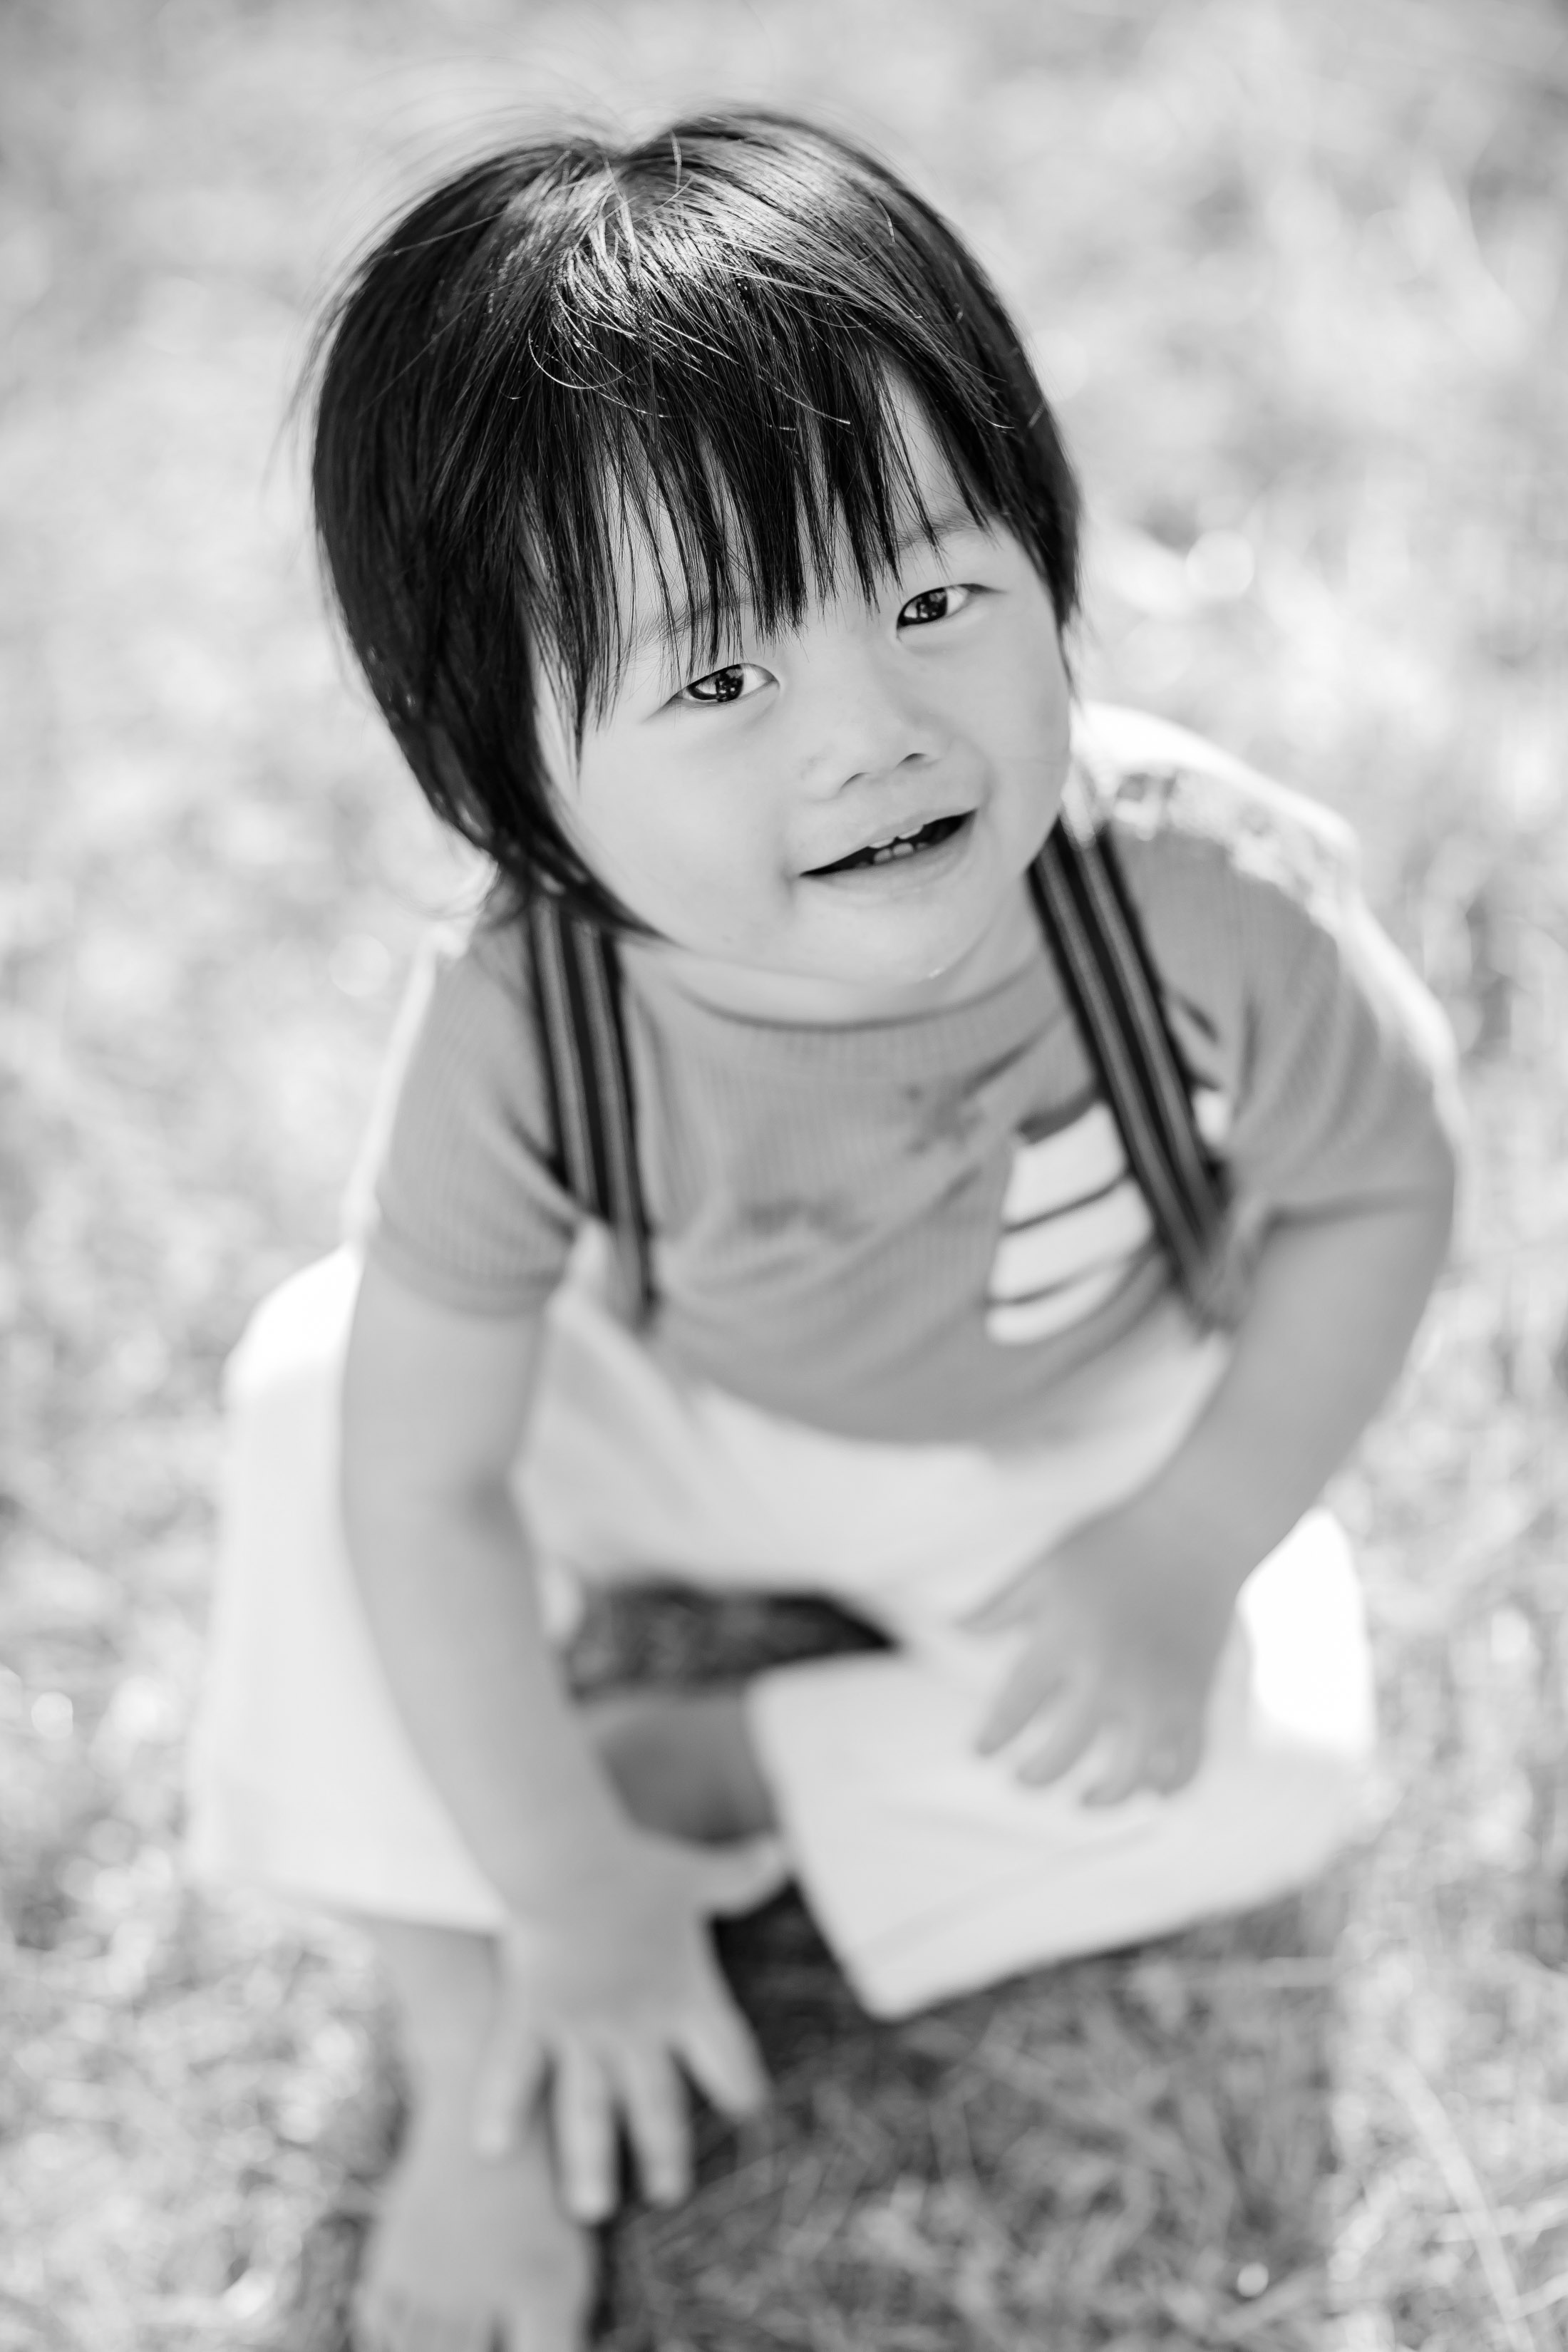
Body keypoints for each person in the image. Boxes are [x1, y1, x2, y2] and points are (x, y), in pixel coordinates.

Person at [187, 111, 1459, 2352]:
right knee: (317, 1391)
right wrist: (561, 1899)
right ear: (512, 774)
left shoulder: (1195, 888)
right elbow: (430, 1473)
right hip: (688, 1395)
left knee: (1289, 1754)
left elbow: (1381, 1183)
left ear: (1051, 559)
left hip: (1066, 1419)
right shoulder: (529, 1012)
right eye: (716, 680)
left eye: (937, 593)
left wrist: (1180, 1551)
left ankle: (721, 1772)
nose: (872, 730)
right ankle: (486, 2006)